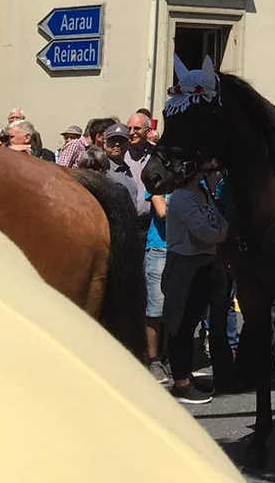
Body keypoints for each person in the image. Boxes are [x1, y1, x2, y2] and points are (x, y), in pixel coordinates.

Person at [163, 166, 228, 404]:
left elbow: (219, 220)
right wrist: (222, 235)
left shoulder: (203, 193)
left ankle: (188, 376)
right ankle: (181, 383)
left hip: (205, 264)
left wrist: (220, 231)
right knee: (180, 325)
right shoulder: (181, 197)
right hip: (184, 266)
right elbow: (203, 232)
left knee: (192, 322)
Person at [143, 185, 170, 381]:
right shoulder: (157, 181)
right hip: (159, 247)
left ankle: (166, 356)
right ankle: (153, 359)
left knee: (174, 309)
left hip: (182, 249)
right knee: (155, 309)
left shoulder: (191, 182)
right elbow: (161, 212)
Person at [102, 122, 150, 217]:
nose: (117, 144)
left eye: (121, 140)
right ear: (104, 144)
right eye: (112, 140)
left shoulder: (129, 170)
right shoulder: (102, 170)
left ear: (128, 144)